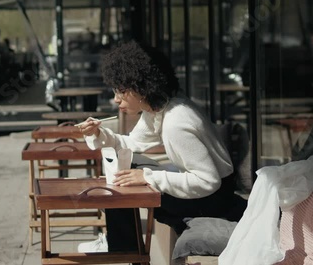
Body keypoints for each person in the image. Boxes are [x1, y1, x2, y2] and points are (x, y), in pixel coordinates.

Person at [76, 41, 247, 255]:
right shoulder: (161, 107)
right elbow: (131, 143)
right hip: (213, 192)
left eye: (121, 91)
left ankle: (121, 245)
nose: (115, 100)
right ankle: (121, 241)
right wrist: (98, 134)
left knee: (128, 177)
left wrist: (149, 177)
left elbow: (207, 181)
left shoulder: (176, 123)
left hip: (213, 199)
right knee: (128, 164)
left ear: (141, 87)